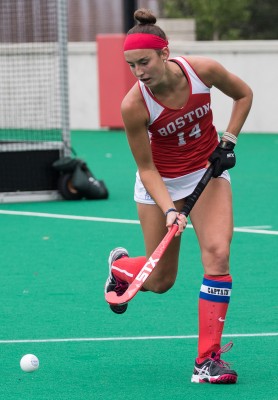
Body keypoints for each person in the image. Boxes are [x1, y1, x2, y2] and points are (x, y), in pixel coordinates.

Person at [104, 8, 253, 384]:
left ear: (165, 53)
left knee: (218, 254)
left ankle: (207, 362)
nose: (139, 72)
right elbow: (147, 167)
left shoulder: (202, 71)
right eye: (131, 65)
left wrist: (229, 140)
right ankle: (121, 267)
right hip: (160, 186)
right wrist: (170, 209)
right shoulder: (134, 105)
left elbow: (244, 94)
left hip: (206, 173)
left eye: (144, 62)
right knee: (161, 282)